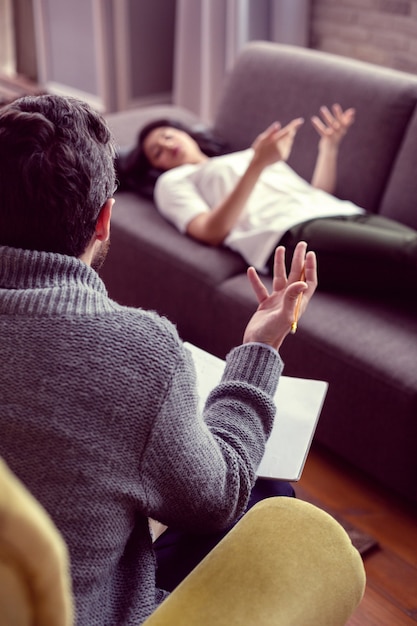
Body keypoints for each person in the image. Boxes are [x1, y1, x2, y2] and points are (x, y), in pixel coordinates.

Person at [0, 94, 318, 625]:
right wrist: (259, 349)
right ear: (104, 220)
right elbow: (217, 499)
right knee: (265, 493)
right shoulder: (137, 351)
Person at [118, 104, 417, 297]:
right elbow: (210, 232)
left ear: (188, 134)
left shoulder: (247, 155)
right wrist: (257, 165)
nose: (167, 145)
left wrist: (329, 148)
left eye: (169, 136)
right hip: (289, 235)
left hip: (338, 212)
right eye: (157, 151)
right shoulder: (173, 182)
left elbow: (314, 194)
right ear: (157, 168)